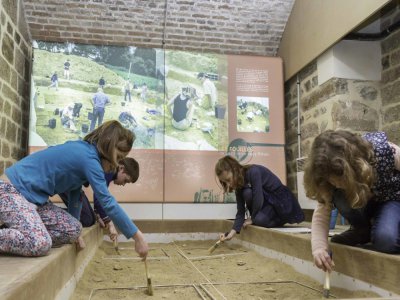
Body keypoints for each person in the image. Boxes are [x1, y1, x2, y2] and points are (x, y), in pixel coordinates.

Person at [0, 120, 149, 258]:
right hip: (12, 191)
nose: (117, 164)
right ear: (109, 145)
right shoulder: (89, 159)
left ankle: (24, 231)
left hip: (35, 201)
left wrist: (76, 235)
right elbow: (107, 201)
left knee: (74, 228)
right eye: (119, 156)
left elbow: (74, 194)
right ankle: (26, 234)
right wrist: (137, 236)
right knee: (40, 244)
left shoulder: (87, 155)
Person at [304, 130, 400, 272]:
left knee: (386, 240)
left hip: (391, 199)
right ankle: (362, 231)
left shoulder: (383, 151)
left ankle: (382, 230)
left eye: (340, 179)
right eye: (332, 180)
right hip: (363, 207)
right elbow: (322, 213)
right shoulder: (328, 179)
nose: (336, 184)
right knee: (339, 195)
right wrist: (319, 249)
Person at [216, 156, 305, 242]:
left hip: (280, 201)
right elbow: (240, 211)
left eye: (228, 180)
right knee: (249, 197)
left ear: (235, 169)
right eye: (225, 182)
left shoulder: (253, 171)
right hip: (267, 202)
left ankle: (281, 217)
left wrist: (252, 218)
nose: (228, 185)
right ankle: (261, 217)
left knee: (254, 207)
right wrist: (231, 233)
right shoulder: (238, 184)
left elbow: (258, 198)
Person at [59, 157, 140, 242]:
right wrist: (110, 223)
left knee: (91, 218)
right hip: (66, 177)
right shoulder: (109, 169)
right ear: (121, 168)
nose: (123, 184)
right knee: (87, 219)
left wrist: (98, 214)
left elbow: (99, 197)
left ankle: (51, 212)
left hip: (75, 184)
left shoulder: (110, 174)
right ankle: (49, 212)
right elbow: (100, 198)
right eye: (125, 180)